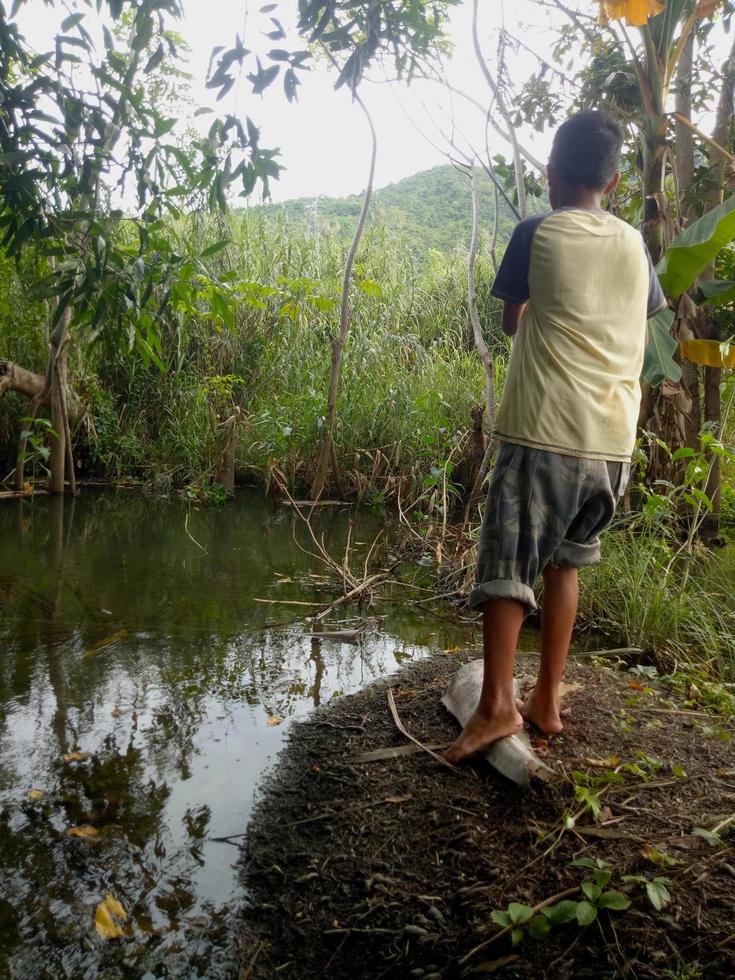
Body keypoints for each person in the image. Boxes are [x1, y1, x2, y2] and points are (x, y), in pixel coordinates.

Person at [445, 109, 667, 764]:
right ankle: (544, 700)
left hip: (543, 431)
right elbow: (643, 314)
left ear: (550, 175)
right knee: (566, 561)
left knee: (507, 566)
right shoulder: (633, 244)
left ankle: (494, 709)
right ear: (615, 180)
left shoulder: (534, 231)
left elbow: (514, 322)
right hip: (610, 445)